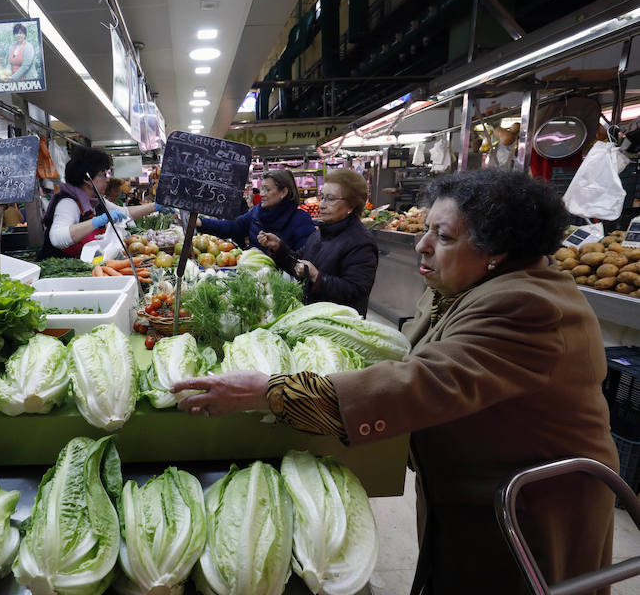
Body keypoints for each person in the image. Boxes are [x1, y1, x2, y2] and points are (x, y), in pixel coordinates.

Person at [172, 169, 618, 595]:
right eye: (427, 229)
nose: (422, 246)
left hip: (531, 505)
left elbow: (422, 382)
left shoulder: (528, 305)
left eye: (443, 236)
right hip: (476, 487)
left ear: (497, 248)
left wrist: (269, 391)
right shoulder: (466, 284)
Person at [258, 169, 377, 317]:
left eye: (330, 199)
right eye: (322, 197)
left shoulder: (361, 242)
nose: (322, 205)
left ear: (351, 205)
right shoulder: (321, 233)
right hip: (315, 317)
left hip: (340, 326)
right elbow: (297, 263)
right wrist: (279, 247)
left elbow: (356, 291)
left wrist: (317, 277)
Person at [41, 146, 158, 258]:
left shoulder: (96, 201)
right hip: (60, 273)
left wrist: (155, 206)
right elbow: (57, 238)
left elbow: (124, 213)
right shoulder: (68, 203)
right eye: (103, 174)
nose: (107, 180)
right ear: (87, 179)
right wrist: (96, 221)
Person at [198, 169, 315, 251]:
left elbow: (305, 259)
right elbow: (233, 227)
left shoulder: (301, 220)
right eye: (261, 189)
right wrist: (200, 223)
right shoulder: (257, 212)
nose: (262, 194)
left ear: (283, 192)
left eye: (267, 190)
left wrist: (279, 248)